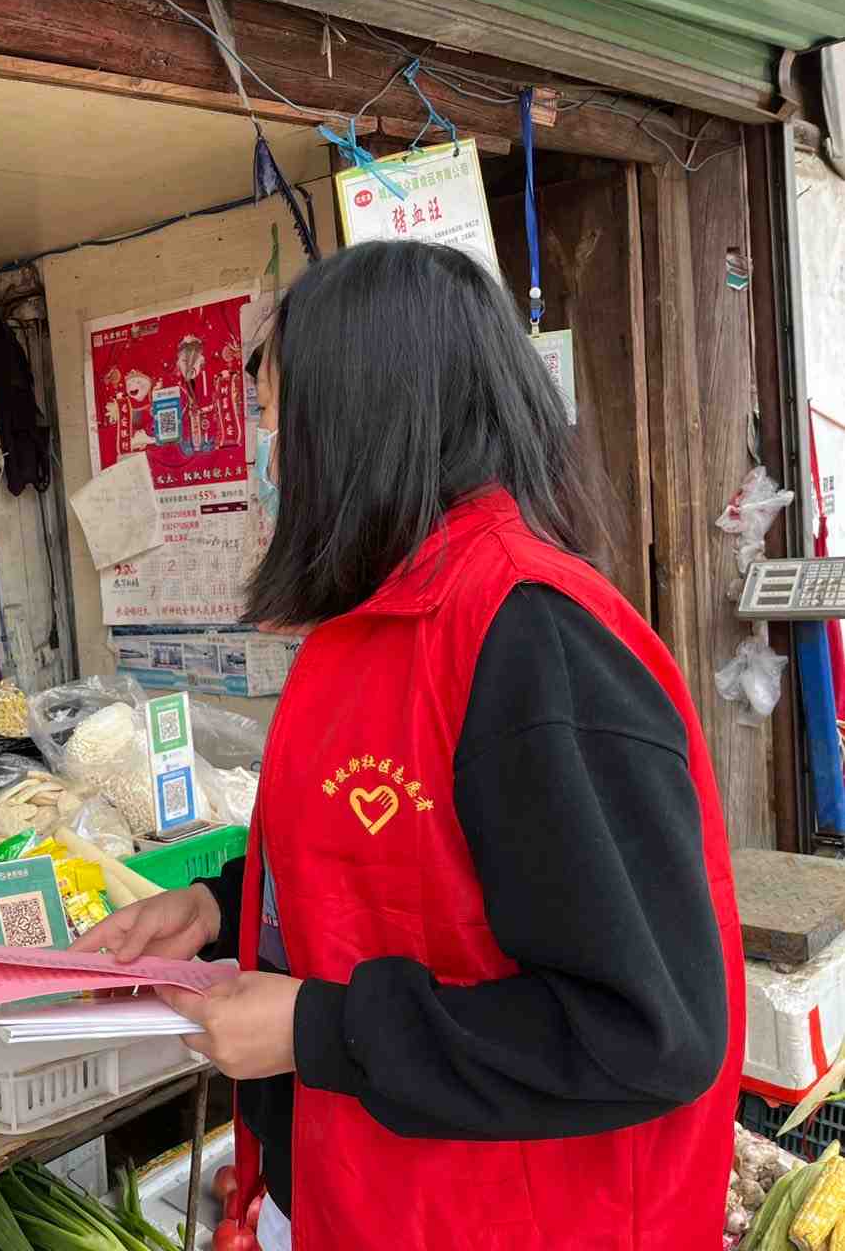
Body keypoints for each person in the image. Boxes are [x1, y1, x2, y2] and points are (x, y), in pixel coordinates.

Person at [75, 241, 742, 1249]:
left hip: (505, 1220)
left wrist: (317, 1028)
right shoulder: (366, 626)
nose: (263, 459)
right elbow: (389, 869)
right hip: (352, 1193)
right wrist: (218, 908)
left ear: (357, 420)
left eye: (271, 418)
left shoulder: (530, 636)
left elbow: (645, 1030)